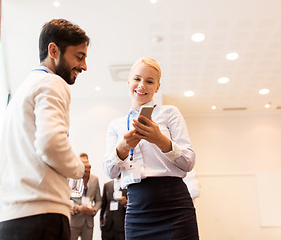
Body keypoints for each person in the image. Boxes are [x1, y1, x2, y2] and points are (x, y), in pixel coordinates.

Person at [0, 19, 90, 240]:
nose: (84, 66)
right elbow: (51, 144)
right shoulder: (53, 83)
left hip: (4, 221)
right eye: (79, 56)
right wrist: (79, 168)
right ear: (54, 50)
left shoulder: (22, 91)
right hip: (41, 218)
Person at [103, 57, 199, 240]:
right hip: (137, 209)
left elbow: (189, 162)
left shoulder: (170, 113)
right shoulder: (116, 125)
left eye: (149, 81)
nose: (142, 85)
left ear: (157, 87)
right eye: (137, 79)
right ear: (128, 82)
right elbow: (109, 171)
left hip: (175, 207)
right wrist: (122, 148)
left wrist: (160, 140)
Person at [70, 153, 102, 240]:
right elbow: (66, 198)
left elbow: (99, 200)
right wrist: (77, 208)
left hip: (88, 222)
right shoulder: (71, 178)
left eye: (88, 165)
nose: (86, 168)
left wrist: (94, 210)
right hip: (74, 220)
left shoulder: (94, 179)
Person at [100, 175, 128, 240]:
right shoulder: (107, 185)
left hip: (121, 225)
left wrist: (126, 202)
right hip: (107, 225)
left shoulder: (126, 185)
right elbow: (103, 206)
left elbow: (132, 203)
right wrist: (102, 223)